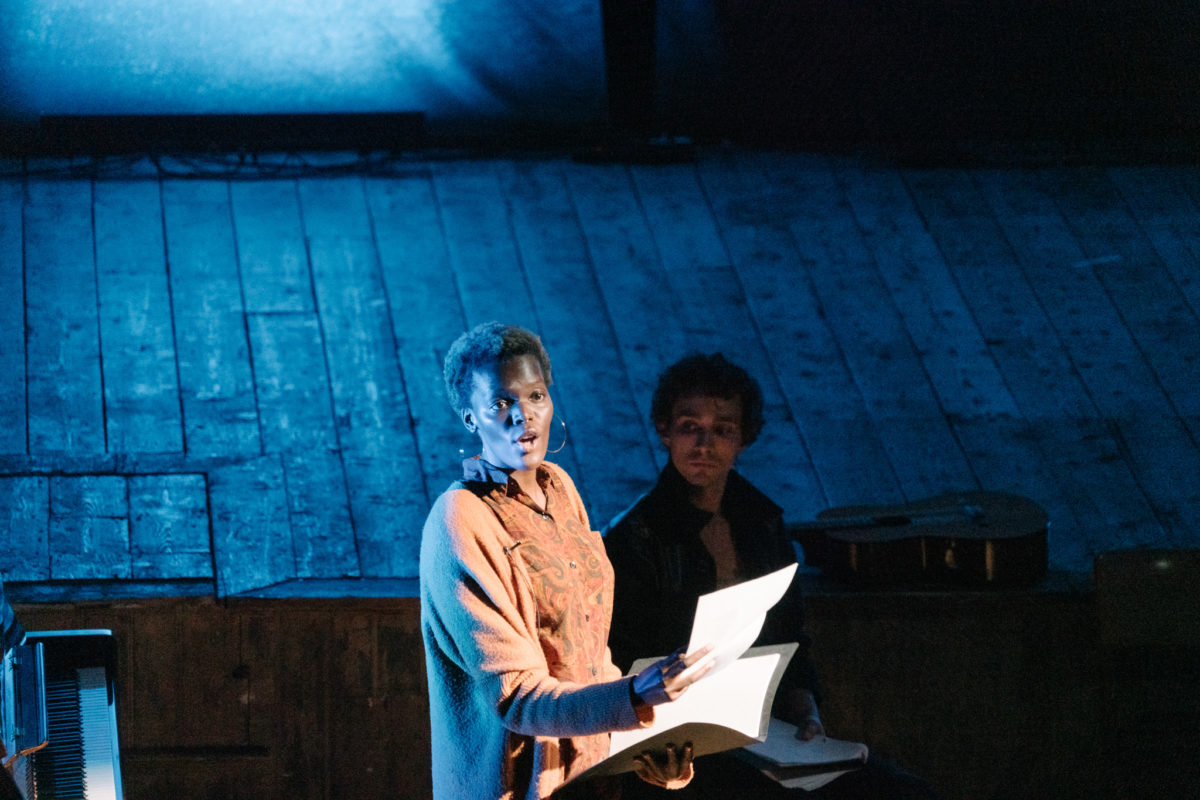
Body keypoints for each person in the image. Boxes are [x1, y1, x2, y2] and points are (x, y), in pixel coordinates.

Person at [603, 353, 942, 800]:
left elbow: (790, 638)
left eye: (723, 430)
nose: (704, 444)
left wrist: (807, 713)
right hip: (681, 743)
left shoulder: (762, 522)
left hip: (766, 730)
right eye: (689, 426)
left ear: (743, 439)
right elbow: (622, 663)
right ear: (665, 431)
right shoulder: (633, 537)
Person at [419, 322, 715, 800]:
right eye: (501, 403)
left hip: (593, 779)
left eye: (535, 396)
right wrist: (635, 696)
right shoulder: (459, 519)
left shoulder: (559, 489)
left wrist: (645, 744)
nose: (523, 415)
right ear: (471, 419)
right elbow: (517, 697)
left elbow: (590, 657)